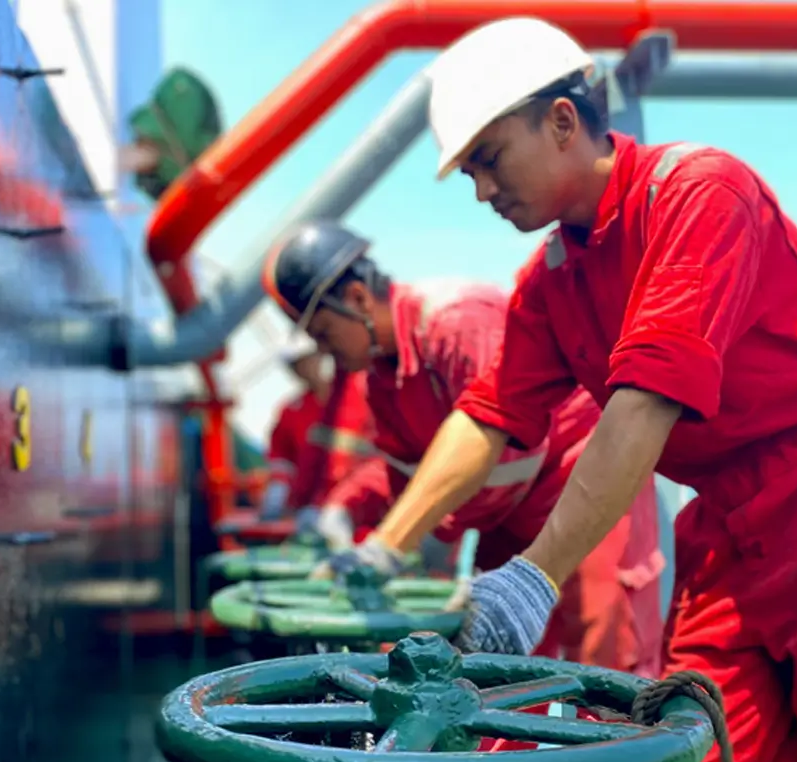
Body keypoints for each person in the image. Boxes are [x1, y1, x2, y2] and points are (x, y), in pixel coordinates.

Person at [324, 16, 797, 762]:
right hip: (730, 519)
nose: (484, 190)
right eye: (471, 175)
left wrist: (533, 578)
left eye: (490, 158)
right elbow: (489, 415)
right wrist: (385, 548)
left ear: (562, 121)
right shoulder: (552, 279)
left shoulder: (698, 192)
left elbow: (645, 403)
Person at [261, 220, 664, 680]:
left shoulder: (458, 320)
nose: (325, 351)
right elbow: (404, 475)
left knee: (604, 652)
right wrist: (346, 510)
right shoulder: (382, 380)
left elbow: (506, 455)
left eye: (325, 334)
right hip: (507, 521)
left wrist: (400, 544)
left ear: (356, 299)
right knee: (497, 667)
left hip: (584, 489)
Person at [259, 330, 374, 526]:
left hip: (363, 501)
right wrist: (279, 489)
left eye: (306, 361)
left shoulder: (363, 393)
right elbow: (282, 459)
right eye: (295, 365)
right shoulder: (292, 412)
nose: (303, 370)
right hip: (313, 506)